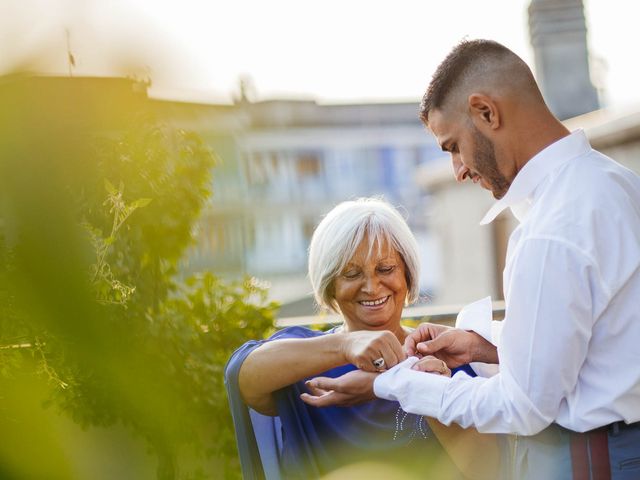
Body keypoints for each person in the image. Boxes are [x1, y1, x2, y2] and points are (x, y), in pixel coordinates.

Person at [301, 39, 640, 479]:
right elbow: (606, 339)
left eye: (453, 146)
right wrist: (486, 346)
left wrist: (394, 383)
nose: (458, 170)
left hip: (589, 461)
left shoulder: (551, 231)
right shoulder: (618, 184)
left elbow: (523, 407)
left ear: (486, 112)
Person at [225, 197, 500, 479]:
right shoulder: (302, 358)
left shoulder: (444, 359)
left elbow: (490, 470)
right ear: (330, 285)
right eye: (352, 273)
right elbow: (241, 375)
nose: (371, 287)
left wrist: (433, 393)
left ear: (407, 274)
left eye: (385, 269)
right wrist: (345, 346)